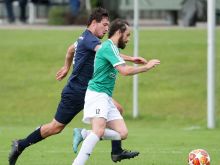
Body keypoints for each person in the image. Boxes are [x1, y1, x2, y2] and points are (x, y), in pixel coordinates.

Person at [8, 7, 146, 165]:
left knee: (117, 109)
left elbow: (70, 50)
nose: (107, 29)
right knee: (55, 128)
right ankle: (21, 145)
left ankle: (116, 151)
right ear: (94, 23)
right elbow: (108, 53)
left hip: (90, 91)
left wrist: (67, 67)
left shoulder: (83, 38)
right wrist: (131, 59)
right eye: (105, 24)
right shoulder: (90, 40)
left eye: (108, 25)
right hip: (76, 92)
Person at [72, 18, 160, 165]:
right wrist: (147, 67)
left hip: (105, 97)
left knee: (122, 134)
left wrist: (133, 58)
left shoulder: (112, 48)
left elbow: (119, 59)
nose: (128, 39)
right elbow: (124, 71)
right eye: (128, 35)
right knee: (99, 131)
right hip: (97, 95)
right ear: (119, 32)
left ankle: (84, 133)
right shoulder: (109, 47)